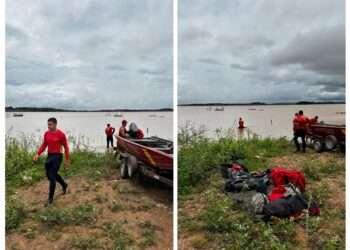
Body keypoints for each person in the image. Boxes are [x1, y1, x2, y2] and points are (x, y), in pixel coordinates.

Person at [33, 117, 69, 206]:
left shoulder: (61, 134)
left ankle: (50, 198)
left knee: (52, 176)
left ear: (55, 124)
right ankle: (64, 184)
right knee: (49, 174)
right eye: (48, 124)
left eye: (50, 124)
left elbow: (66, 147)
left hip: (58, 156)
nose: (48, 126)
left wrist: (67, 159)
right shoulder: (46, 133)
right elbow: (44, 144)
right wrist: (38, 154)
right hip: (50, 156)